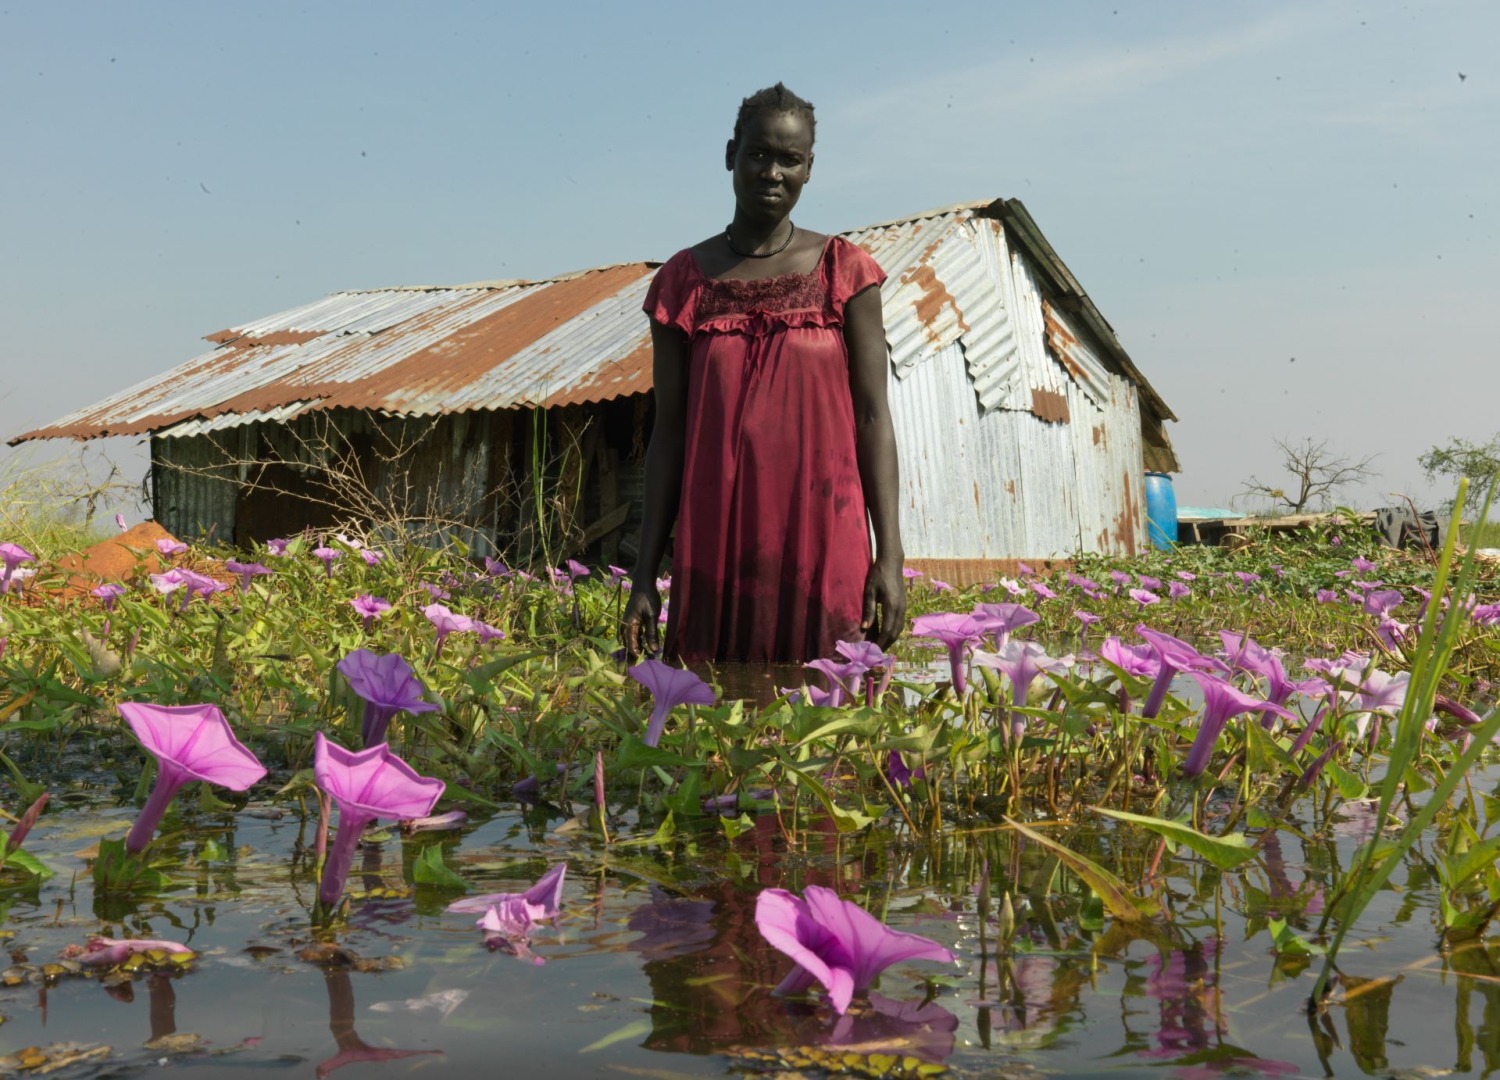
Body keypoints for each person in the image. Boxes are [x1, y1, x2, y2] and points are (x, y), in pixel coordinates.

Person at [620, 83, 904, 665]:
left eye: (789, 159)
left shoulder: (844, 272)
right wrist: (644, 576)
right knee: (712, 728)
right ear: (731, 154)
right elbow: (668, 434)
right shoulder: (684, 282)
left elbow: (873, 417)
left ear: (809, 169)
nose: (771, 172)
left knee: (828, 720)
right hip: (717, 537)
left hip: (824, 533)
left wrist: (890, 557)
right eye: (757, 154)